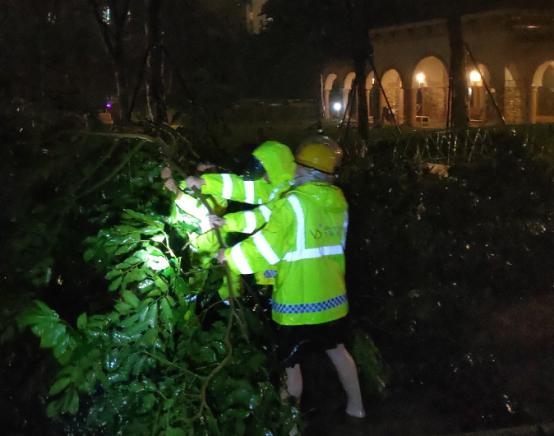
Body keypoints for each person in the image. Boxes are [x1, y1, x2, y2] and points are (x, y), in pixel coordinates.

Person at [217, 135, 366, 419]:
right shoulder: (339, 202)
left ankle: (290, 425)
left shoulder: (293, 204)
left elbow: (266, 248)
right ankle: (356, 407)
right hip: (332, 298)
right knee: (337, 350)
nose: (293, 171)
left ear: (308, 171)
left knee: (290, 363)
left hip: (297, 302)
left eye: (298, 166)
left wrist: (230, 257)